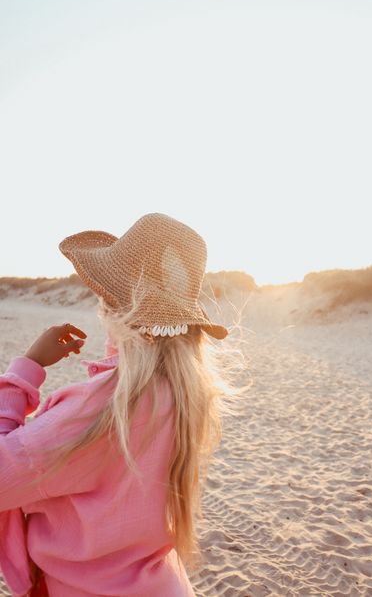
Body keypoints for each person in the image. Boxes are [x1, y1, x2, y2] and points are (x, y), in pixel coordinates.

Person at [0, 212, 240, 597]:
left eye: (104, 294)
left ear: (113, 307)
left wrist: (24, 373)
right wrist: (125, 339)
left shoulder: (100, 409)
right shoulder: (185, 390)